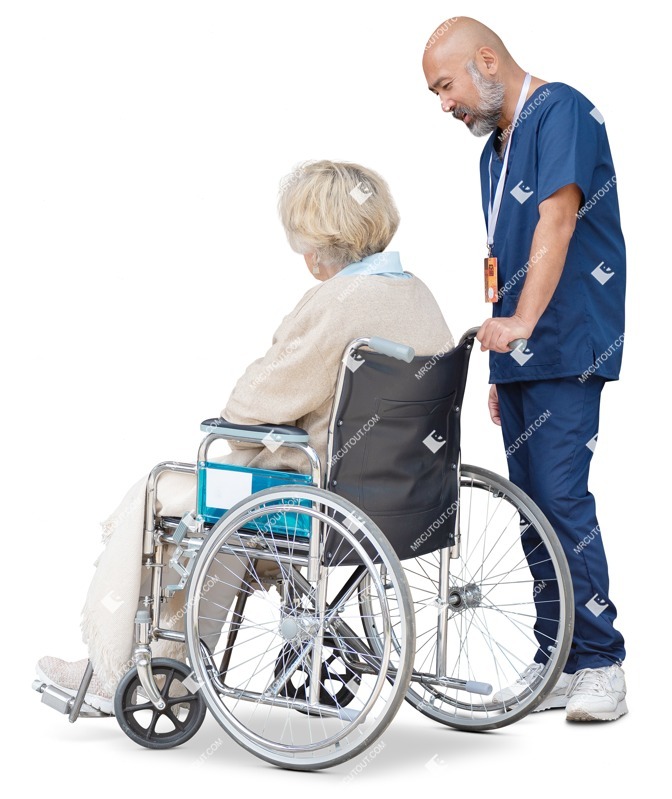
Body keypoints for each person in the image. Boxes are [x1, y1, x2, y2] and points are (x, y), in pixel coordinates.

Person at [35, 159, 454, 714]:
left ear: (320, 238)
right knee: (220, 504)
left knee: (160, 494)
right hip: (407, 499)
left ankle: (117, 667)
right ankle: (169, 663)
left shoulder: (338, 302)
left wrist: (243, 413)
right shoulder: (416, 293)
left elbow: (253, 403)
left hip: (320, 496)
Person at [422, 17, 627, 721]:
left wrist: (527, 325)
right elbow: (500, 262)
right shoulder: (492, 154)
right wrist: (499, 364)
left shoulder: (561, 109)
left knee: (563, 499)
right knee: (531, 509)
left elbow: (558, 220)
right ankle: (558, 657)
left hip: (569, 341)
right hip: (521, 354)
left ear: (485, 60)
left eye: (445, 85)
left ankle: (601, 661)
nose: (443, 103)